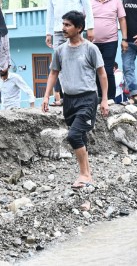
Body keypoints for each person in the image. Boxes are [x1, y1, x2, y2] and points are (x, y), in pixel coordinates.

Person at [41, 10, 108, 189]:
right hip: (69, 100)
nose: (63, 28)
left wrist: (105, 100)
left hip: (87, 98)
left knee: (74, 135)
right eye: (63, 24)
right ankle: (88, 176)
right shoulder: (60, 50)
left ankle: (83, 174)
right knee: (81, 137)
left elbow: (102, 74)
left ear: (79, 28)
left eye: (68, 25)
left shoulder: (90, 48)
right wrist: (46, 96)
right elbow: (53, 73)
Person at [45, 0, 94, 106]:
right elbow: (50, 11)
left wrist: (90, 27)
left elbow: (87, 5)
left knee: (80, 60)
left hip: (75, 29)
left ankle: (84, 94)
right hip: (58, 31)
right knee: (59, 64)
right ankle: (66, 96)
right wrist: (48, 32)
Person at [90, 0, 127, 100]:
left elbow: (122, 19)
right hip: (92, 42)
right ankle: (99, 96)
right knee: (95, 70)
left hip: (110, 41)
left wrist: (124, 39)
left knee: (107, 69)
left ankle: (110, 98)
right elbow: (81, 18)